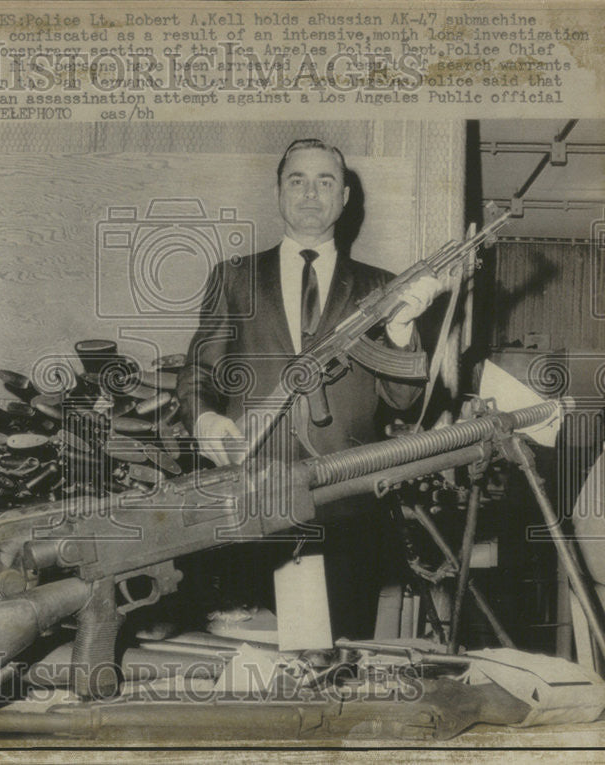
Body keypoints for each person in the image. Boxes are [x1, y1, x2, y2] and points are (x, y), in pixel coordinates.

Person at [174, 138, 444, 637]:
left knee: (338, 657)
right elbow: (198, 374)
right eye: (297, 180)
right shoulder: (234, 278)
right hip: (252, 498)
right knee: (252, 659)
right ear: (278, 193)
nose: (310, 193)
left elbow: (403, 399)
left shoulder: (380, 288)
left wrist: (403, 328)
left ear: (344, 198)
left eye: (326, 182)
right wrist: (205, 418)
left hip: (347, 505)